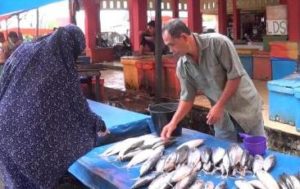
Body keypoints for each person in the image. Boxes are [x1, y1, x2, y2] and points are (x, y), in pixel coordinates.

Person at [0, 25, 108, 188]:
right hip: (26, 142)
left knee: (16, 181)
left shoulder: (24, 49)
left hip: (3, 127)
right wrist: (98, 124)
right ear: (72, 46)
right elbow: (78, 105)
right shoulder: (60, 65)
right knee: (58, 147)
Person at [160, 19, 265, 142]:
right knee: (224, 155)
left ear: (184, 37)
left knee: (257, 154)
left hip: (246, 110)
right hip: (222, 119)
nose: (171, 50)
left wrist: (219, 105)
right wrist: (173, 122)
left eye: (171, 45)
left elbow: (235, 76)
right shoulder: (183, 66)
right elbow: (187, 97)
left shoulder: (218, 43)